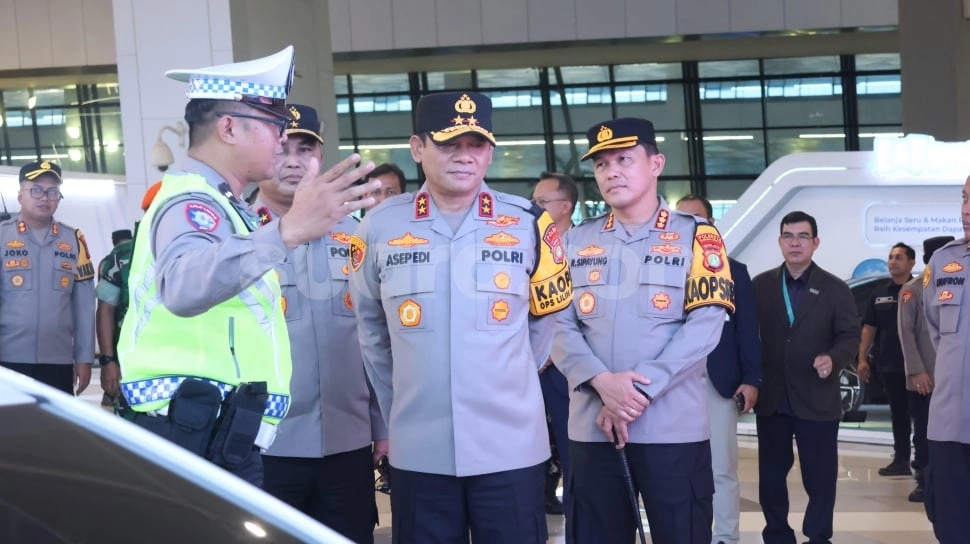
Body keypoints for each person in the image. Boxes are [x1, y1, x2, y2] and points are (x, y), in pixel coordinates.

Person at [116, 46, 381, 485]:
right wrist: (287, 231)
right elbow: (183, 286)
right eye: (273, 124)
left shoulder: (224, 205)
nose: (281, 140)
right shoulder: (192, 202)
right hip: (189, 431)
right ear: (228, 128)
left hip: (214, 429)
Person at [349, 91, 572, 543]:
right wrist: (407, 405)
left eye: (477, 144)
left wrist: (502, 382)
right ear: (418, 148)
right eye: (450, 144)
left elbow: (543, 323)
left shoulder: (530, 223)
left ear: (490, 150)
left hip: (509, 447)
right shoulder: (378, 228)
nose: (465, 156)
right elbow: (372, 333)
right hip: (419, 449)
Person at [553, 118, 734, 544]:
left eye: (623, 159)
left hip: (672, 429)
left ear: (656, 163)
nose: (611, 171)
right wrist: (602, 383)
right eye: (601, 164)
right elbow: (555, 324)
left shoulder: (698, 237)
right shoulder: (574, 242)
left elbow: (706, 325)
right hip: (592, 429)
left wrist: (635, 394)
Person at [253, 104, 386, 544]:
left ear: (320, 157)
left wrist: (383, 426)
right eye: (282, 148)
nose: (293, 160)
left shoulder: (358, 234)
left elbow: (377, 336)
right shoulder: (236, 234)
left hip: (347, 443)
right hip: (265, 443)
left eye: (305, 148)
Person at [752, 211, 861, 544]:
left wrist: (834, 357)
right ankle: (777, 533)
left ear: (815, 242)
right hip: (773, 398)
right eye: (788, 236)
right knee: (771, 477)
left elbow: (850, 335)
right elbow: (745, 336)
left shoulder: (835, 288)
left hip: (817, 397)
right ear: (780, 241)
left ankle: (818, 535)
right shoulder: (761, 285)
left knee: (820, 477)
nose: (795, 243)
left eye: (802, 236)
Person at [676, 194, 761, 544]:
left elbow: (748, 330)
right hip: (672, 382)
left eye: (697, 218)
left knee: (721, 467)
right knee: (675, 467)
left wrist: (751, 379)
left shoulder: (734, 270)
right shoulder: (662, 268)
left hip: (718, 380)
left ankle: (726, 537)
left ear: (711, 224)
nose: (689, 225)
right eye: (682, 219)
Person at [0, 160, 96, 395]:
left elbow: (84, 306)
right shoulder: (2, 236)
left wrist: (84, 358)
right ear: (20, 195)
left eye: (52, 192)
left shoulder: (74, 240)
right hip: (8, 359)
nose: (44, 197)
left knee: (53, 432)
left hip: (58, 361)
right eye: (36, 190)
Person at [921, 174, 970, 543]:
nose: (966, 211)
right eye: (964, 199)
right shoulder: (943, 261)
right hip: (950, 422)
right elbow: (935, 330)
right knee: (950, 524)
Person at [531, 171, 578, 519]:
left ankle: (579, 518)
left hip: (566, 370)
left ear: (565, 206)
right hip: (527, 367)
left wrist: (552, 349)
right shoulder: (525, 243)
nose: (535, 207)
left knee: (572, 450)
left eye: (542, 201)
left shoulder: (585, 247)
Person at [96, 182, 163, 406]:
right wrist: (107, 361)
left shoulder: (197, 252)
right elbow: (105, 310)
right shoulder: (123, 256)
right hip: (131, 362)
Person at [898, 235, 953, 503]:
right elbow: (906, 332)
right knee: (923, 430)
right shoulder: (913, 289)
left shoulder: (958, 284)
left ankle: (947, 481)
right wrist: (916, 370)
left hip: (953, 377)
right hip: (925, 377)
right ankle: (922, 480)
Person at [857, 242, 916, 479]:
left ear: (911, 262)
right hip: (890, 364)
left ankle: (924, 461)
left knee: (921, 416)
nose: (893, 261)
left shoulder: (920, 289)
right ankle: (901, 459)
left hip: (918, 366)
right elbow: (869, 328)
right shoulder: (880, 293)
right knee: (898, 414)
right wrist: (862, 358)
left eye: (899, 257)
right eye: (891, 257)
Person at [95, 228, 133, 405]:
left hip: (120, 339)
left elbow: (104, 307)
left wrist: (107, 360)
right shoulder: (120, 257)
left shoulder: (108, 261)